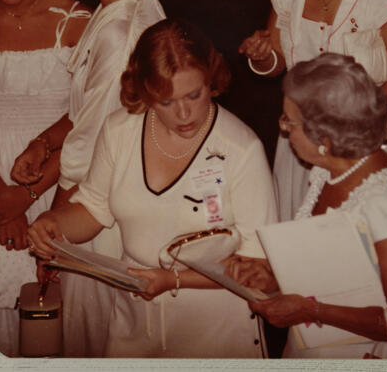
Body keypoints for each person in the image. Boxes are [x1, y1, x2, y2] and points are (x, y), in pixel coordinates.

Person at [27, 18, 278, 358]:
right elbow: (93, 209)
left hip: (216, 327)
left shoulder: (242, 148)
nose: (185, 113)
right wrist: (54, 224)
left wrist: (173, 280)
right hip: (132, 319)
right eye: (166, 102)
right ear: (144, 90)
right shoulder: (119, 131)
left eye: (195, 93)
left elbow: (258, 267)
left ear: (211, 78)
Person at [233, 52, 387, 358]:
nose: (283, 128)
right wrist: (277, 281)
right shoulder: (336, 167)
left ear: (324, 137)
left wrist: (312, 310)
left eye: (289, 121)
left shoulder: (383, 207)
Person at [10, 0, 166, 356]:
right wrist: (44, 142)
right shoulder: (115, 9)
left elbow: (89, 148)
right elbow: (86, 110)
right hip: (104, 192)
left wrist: (56, 233)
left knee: (95, 334)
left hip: (101, 208)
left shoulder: (122, 29)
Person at [238, 0, 387, 221]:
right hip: (299, 139)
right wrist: (263, 58)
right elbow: (277, 62)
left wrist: (343, 126)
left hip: (357, 143)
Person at [0, 0, 91, 356]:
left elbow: (88, 115)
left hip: (55, 176)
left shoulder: (79, 21)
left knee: (49, 310)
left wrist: (23, 197)